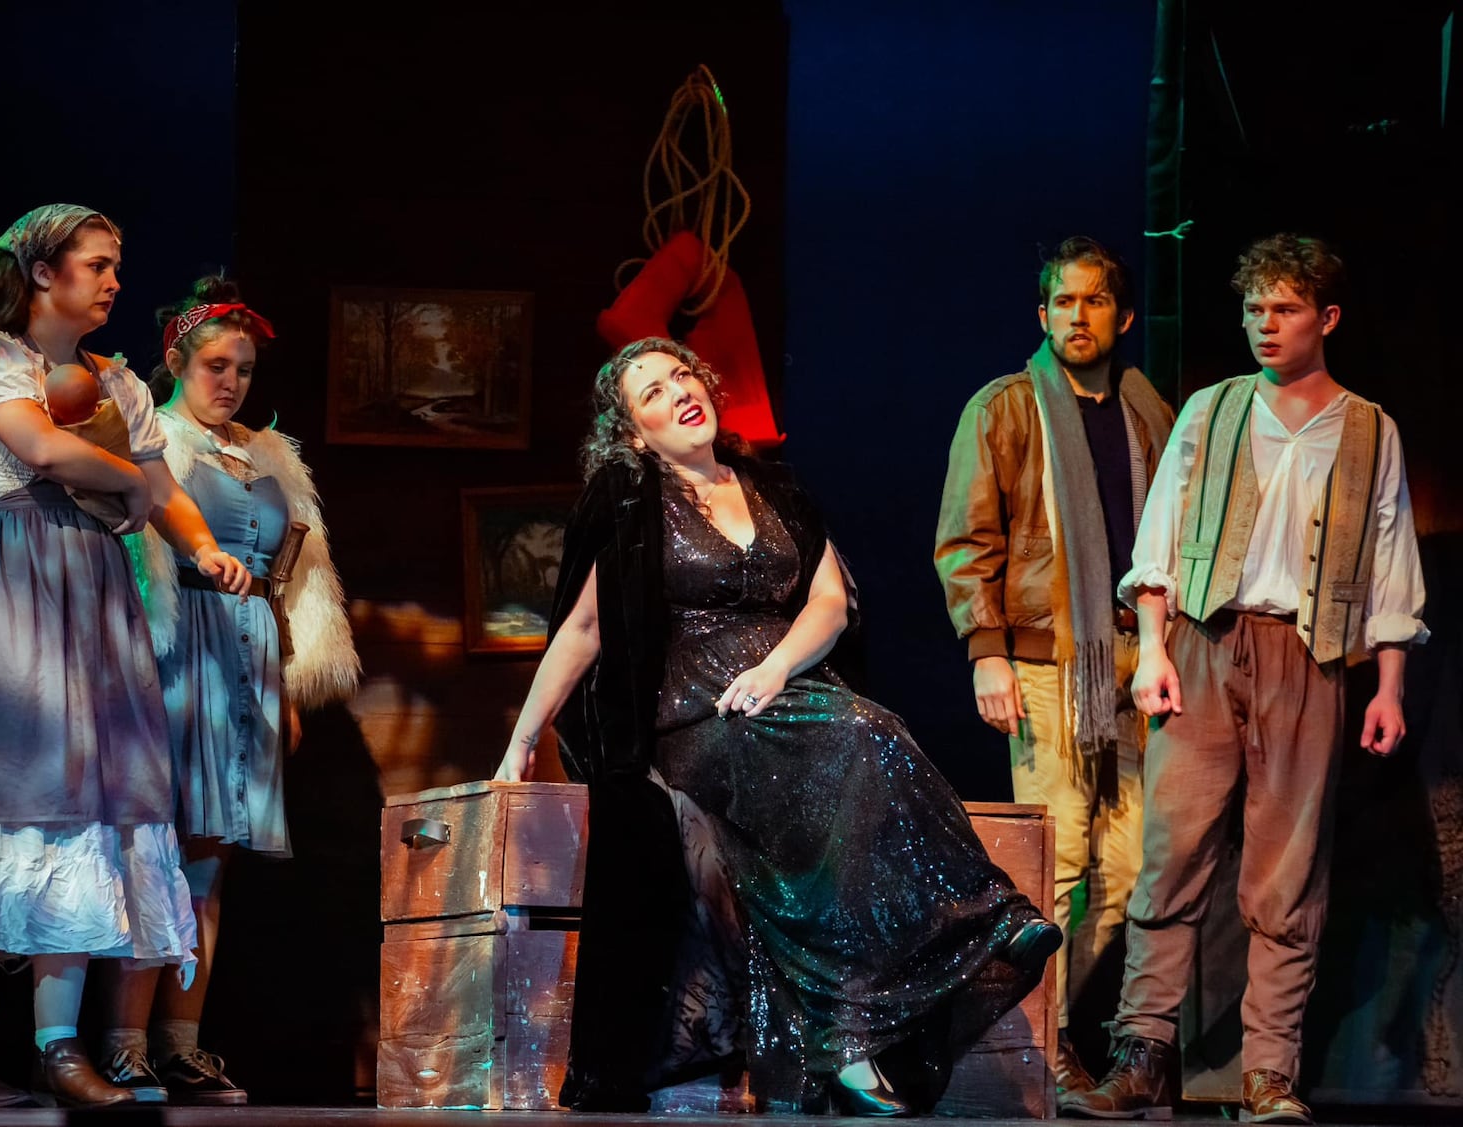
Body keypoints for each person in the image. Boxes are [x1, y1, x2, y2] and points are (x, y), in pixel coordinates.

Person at [493, 336, 1063, 1116]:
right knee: (862, 740)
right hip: (701, 713)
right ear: (634, 433)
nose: (677, 393)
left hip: (789, 693)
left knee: (872, 734)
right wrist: (525, 736)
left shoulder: (775, 487)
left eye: (681, 375)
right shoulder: (636, 500)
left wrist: (775, 668)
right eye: (652, 394)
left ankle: (858, 1027)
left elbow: (830, 601)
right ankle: (975, 927)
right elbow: (586, 627)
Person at [1061, 234, 1429, 1124]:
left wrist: (1388, 686)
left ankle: (1269, 1072)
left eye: (1286, 309)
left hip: (1309, 658)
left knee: (1287, 870)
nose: (1265, 324)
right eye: (1253, 309)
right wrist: (1150, 648)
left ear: (1327, 318)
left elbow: (1389, 561)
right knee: (1171, 854)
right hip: (1202, 642)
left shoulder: (1370, 427)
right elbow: (1160, 534)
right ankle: (1141, 1057)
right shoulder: (1213, 410)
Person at [0, 203, 251, 1109]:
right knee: (9, 796)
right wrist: (132, 480)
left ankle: (59, 1044)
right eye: (97, 264)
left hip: (95, 588)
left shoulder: (120, 381)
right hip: (5, 585)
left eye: (116, 266)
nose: (112, 280)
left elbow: (165, 492)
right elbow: (40, 447)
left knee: (90, 799)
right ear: (45, 271)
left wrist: (201, 544)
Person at [94, 275, 362, 1105]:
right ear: (177, 359)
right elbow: (128, 556)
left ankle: (181, 1044)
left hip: (245, 656)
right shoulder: (150, 437)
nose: (230, 381)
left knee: (210, 865)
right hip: (174, 653)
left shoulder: (269, 453)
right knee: (158, 854)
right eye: (215, 363)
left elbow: (287, 581)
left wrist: (283, 683)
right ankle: (120, 1045)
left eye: (243, 367)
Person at [933, 236, 1176, 1098]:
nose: (1078, 316)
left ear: (1123, 315)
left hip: (1136, 661)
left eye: (1095, 301)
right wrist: (986, 651)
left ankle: (1047, 1026)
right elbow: (968, 541)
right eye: (1063, 303)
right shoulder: (1005, 407)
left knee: (1137, 860)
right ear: (1042, 315)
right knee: (1059, 858)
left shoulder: (1153, 412)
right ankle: (1048, 1046)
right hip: (1046, 661)